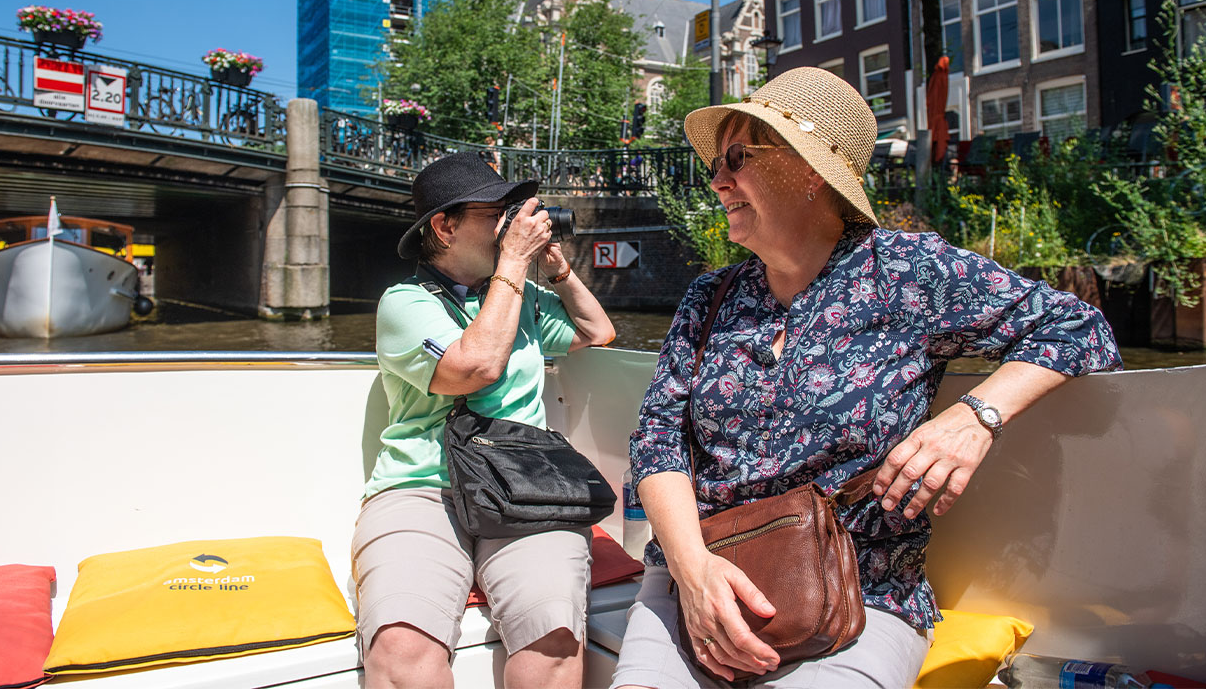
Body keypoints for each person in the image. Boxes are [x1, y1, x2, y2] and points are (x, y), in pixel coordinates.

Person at [612, 67, 1121, 689]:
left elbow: (1078, 328)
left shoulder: (908, 273)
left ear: (810, 171)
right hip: (695, 572)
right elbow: (657, 441)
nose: (718, 180)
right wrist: (693, 576)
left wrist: (973, 419)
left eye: (738, 158)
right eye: (717, 163)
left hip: (862, 589)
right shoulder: (709, 296)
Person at [352, 151, 615, 689]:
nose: (509, 225)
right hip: (424, 487)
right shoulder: (404, 303)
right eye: (495, 214)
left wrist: (556, 268)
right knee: (400, 646)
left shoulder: (525, 298)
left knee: (555, 635)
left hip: (525, 485)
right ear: (445, 227)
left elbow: (597, 332)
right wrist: (514, 263)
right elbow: (474, 368)